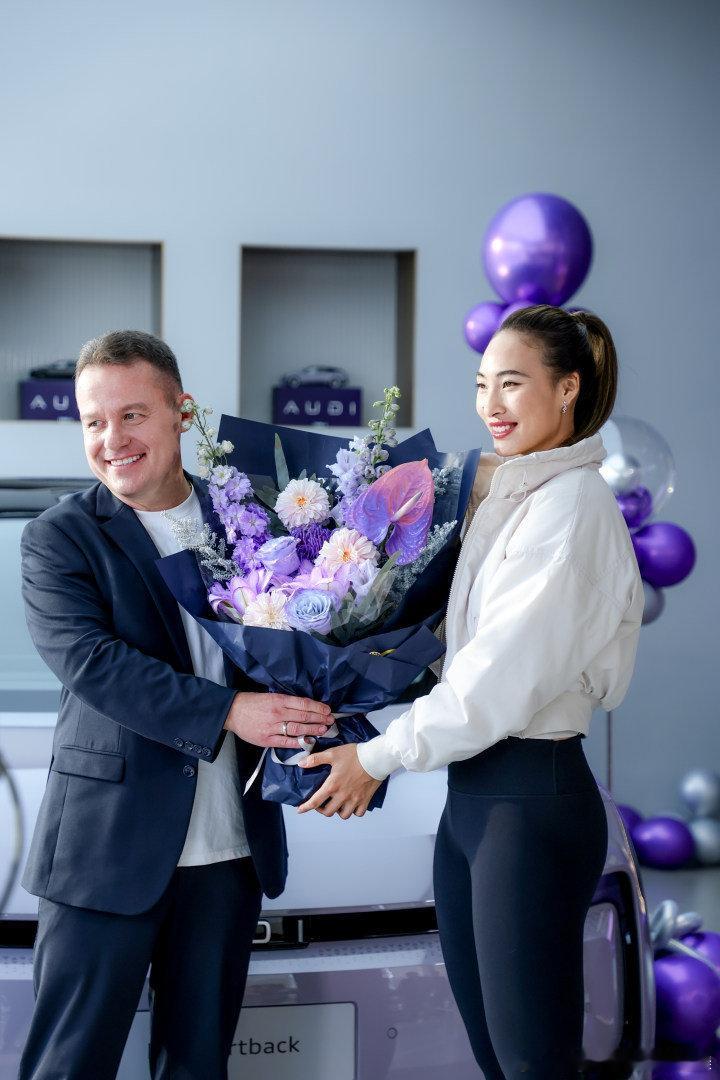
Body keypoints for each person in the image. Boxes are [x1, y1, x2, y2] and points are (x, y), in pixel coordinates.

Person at [297, 305, 644, 1078]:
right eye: (483, 384)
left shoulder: (572, 507)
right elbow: (458, 656)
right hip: (477, 804)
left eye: (512, 383)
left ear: (568, 389)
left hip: (530, 800)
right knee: (500, 1061)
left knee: (532, 1065)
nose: (491, 404)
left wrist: (377, 758)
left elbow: (497, 680)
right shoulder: (513, 497)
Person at [18, 330, 332, 1080]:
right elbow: (95, 664)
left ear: (181, 413)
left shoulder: (255, 523)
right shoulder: (59, 538)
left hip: (228, 853)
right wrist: (229, 712)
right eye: (94, 422)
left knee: (198, 1067)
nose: (112, 440)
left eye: (132, 415)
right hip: (104, 852)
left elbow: (311, 645)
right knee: (68, 1067)